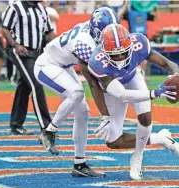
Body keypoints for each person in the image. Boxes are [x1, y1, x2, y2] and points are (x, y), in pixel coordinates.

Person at [88, 24, 179, 180]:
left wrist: (177, 78)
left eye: (123, 53)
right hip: (113, 91)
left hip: (133, 77)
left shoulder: (139, 44)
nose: (120, 58)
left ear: (130, 47)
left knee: (145, 118)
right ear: (104, 52)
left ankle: (137, 157)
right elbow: (122, 95)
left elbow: (169, 65)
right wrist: (153, 94)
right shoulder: (97, 61)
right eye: (114, 55)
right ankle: (161, 138)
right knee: (113, 142)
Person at [34, 7, 119, 177]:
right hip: (46, 66)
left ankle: (79, 164)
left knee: (83, 111)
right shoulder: (84, 43)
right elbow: (94, 81)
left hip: (63, 66)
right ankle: (49, 131)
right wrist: (105, 114)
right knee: (77, 93)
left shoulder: (93, 28)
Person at [1, 0, 55, 135]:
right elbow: (5, 28)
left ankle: (16, 125)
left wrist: (52, 51)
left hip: (36, 52)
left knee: (24, 86)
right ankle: (46, 126)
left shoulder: (41, 9)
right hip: (21, 52)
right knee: (36, 84)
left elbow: (49, 32)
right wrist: (15, 44)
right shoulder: (15, 7)